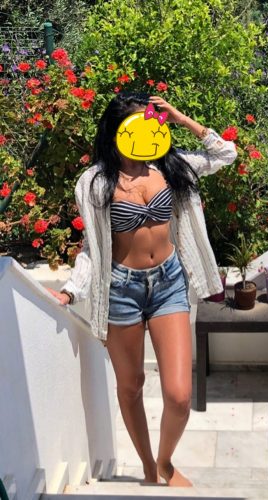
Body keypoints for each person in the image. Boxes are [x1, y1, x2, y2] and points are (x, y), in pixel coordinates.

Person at [47, 92, 237, 486]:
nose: (149, 132)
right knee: (131, 386)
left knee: (179, 396)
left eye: (153, 124)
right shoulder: (95, 183)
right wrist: (70, 291)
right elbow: (93, 249)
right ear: (117, 131)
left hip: (169, 283)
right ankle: (149, 467)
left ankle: (165, 461)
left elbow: (225, 154)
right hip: (121, 290)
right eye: (139, 125)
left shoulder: (172, 165)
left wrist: (182, 119)